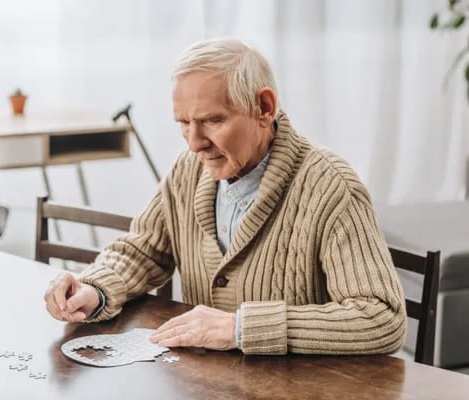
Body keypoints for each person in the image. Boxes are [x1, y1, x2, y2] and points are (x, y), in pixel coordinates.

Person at [44, 38, 406, 355]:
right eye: (183, 123)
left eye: (212, 121)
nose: (194, 142)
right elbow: (142, 251)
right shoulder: (188, 169)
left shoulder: (331, 187)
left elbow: (381, 317)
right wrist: (94, 288)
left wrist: (240, 329)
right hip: (209, 384)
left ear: (264, 108)